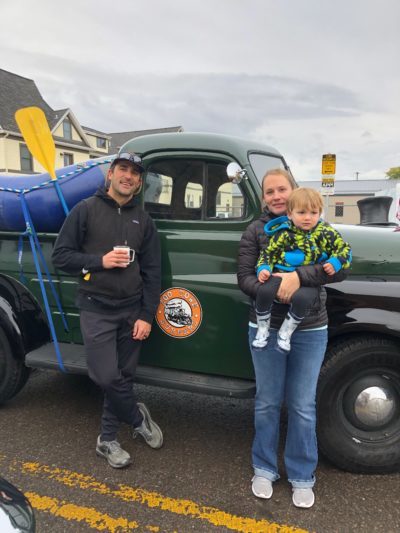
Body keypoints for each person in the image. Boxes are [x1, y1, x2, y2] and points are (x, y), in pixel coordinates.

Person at [237, 169, 347, 508]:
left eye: (281, 189)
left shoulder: (318, 225)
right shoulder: (256, 230)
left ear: (293, 190)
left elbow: (340, 268)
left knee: (302, 405)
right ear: (263, 197)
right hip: (265, 327)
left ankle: (302, 474)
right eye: (269, 191)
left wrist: (298, 277)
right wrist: (274, 288)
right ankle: (264, 467)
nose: (275, 196)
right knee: (267, 401)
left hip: (311, 327)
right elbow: (244, 276)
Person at [52, 151, 163, 469]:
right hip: (96, 309)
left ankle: (108, 440)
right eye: (123, 169)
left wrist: (146, 315)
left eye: (135, 173)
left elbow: (152, 273)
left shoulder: (143, 220)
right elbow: (60, 257)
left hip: (131, 311)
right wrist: (99, 261)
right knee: (105, 376)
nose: (128, 176)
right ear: (110, 174)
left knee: (124, 377)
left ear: (139, 182)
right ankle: (136, 417)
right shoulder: (84, 211)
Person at [253, 187, 352, 352]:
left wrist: (336, 262)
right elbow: (268, 253)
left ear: (319, 213)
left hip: (308, 281)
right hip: (281, 274)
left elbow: (345, 250)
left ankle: (286, 331)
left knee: (303, 298)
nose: (308, 217)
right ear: (290, 214)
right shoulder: (283, 233)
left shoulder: (326, 233)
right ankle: (262, 329)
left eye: (313, 213)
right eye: (301, 212)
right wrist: (263, 268)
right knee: (263, 292)